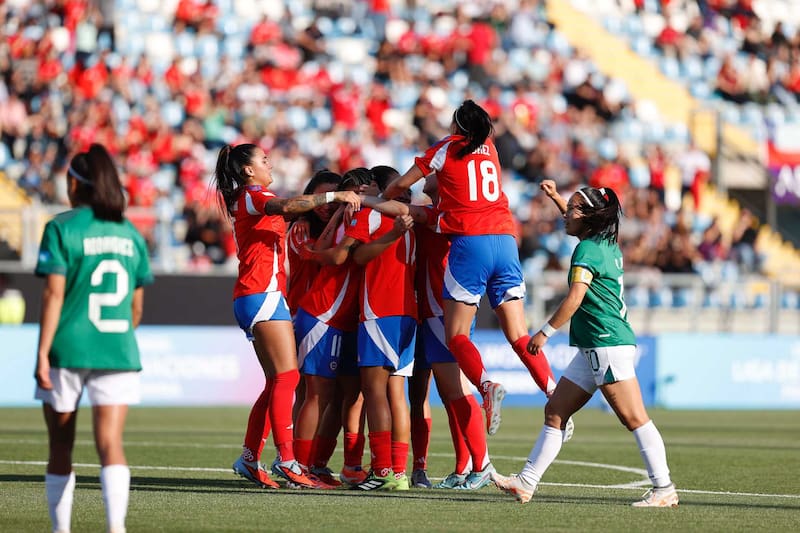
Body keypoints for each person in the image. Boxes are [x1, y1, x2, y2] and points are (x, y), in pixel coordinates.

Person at [492, 181, 678, 508]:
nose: (566, 214)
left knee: (634, 417)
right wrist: (554, 197)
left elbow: (575, 298)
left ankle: (664, 487)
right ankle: (526, 482)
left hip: (605, 342)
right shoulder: (604, 243)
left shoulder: (587, 250)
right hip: (596, 344)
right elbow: (579, 218)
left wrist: (544, 332)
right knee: (556, 411)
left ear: (589, 218)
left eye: (572, 209)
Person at [383, 99, 559, 439]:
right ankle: (555, 394)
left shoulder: (445, 148)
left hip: (471, 241)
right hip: (507, 240)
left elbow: (400, 186)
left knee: (457, 335)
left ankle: (486, 385)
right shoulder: (489, 147)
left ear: (455, 126)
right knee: (519, 335)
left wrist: (392, 193)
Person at [214, 144, 360, 490]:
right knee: (288, 377)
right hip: (262, 293)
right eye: (263, 159)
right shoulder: (254, 194)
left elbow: (289, 211)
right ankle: (288, 460)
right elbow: (286, 206)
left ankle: (250, 457)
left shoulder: (248, 197)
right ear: (248, 170)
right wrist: (333, 196)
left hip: (257, 294)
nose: (269, 163)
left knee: (276, 382)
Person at [34, 144, 153, 533]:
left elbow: (53, 295)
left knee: (60, 446)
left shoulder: (60, 227)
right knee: (110, 445)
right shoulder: (130, 234)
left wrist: (41, 354)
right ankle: (116, 528)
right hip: (117, 349)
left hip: (68, 347)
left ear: (73, 183)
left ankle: (60, 530)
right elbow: (136, 309)